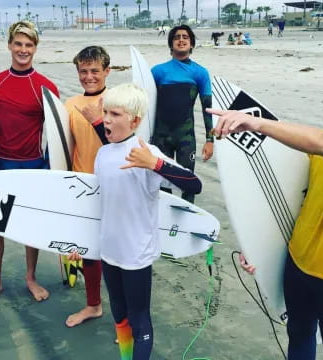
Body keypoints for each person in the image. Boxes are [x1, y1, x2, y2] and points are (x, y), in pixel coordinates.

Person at [209, 52, 323, 360]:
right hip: (296, 263)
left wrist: (256, 122)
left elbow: (322, 145)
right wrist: (257, 244)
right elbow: (294, 195)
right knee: (299, 338)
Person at [69, 83, 202, 359]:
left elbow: (195, 184)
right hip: (109, 250)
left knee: (139, 318)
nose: (106, 119)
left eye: (115, 114)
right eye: (105, 112)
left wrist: (155, 164)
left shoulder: (147, 154)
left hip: (136, 254)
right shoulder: (104, 153)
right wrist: (80, 242)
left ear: (135, 121)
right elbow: (99, 203)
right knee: (119, 314)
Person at [0, 21, 58, 308]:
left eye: (28, 45)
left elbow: (57, 134)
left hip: (33, 166)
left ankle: (31, 278)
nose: (23, 49)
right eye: (18, 43)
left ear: (35, 48)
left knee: (31, 227)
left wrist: (57, 172)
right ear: (9, 45)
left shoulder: (46, 87)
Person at [63, 45, 111, 328]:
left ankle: (127, 317)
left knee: (117, 253)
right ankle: (93, 305)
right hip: (82, 184)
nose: (89, 76)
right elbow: (65, 149)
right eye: (84, 71)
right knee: (90, 253)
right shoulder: (69, 105)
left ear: (107, 71)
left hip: (114, 186)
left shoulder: (119, 101)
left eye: (95, 70)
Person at [151, 24, 214, 203]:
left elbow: (207, 107)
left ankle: (187, 220)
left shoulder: (200, 73)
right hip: (161, 137)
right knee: (162, 185)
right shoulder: (158, 71)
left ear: (192, 44)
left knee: (188, 183)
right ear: (171, 44)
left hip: (185, 136)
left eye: (185, 37)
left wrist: (210, 140)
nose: (181, 40)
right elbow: (146, 105)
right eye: (176, 37)